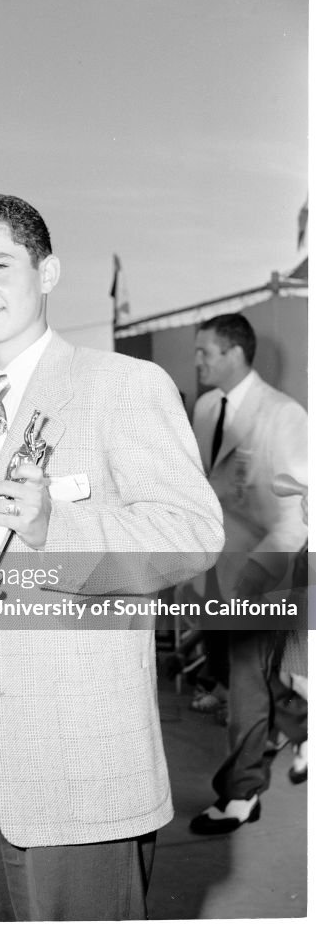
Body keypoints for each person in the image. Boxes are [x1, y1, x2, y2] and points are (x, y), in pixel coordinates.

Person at [0, 193, 224, 921]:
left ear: (46, 271)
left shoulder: (121, 386)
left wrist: (57, 521)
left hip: (81, 760)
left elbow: (191, 533)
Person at [189, 313, 308, 834]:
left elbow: (297, 513)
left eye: (205, 353)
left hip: (266, 570)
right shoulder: (205, 408)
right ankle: (303, 730)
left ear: (235, 353)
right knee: (236, 673)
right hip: (216, 569)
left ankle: (240, 795)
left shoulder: (284, 415)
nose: (198, 363)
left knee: (244, 683)